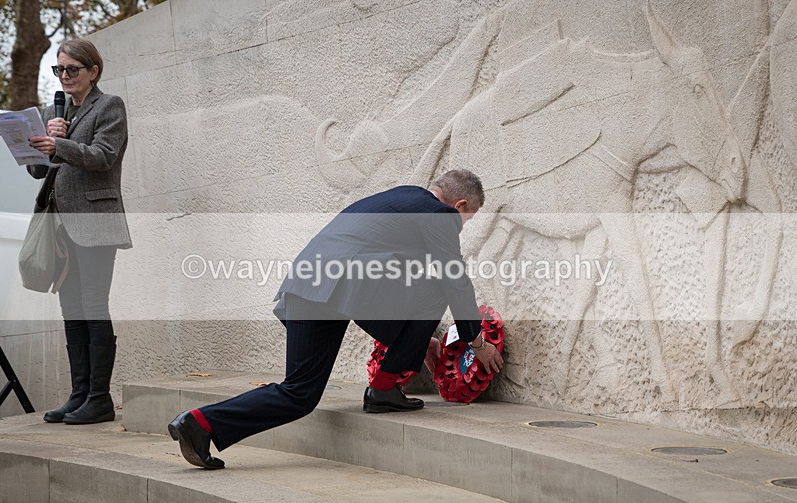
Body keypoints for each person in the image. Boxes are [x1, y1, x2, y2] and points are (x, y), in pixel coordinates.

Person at [168, 169, 503, 469]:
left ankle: (200, 423)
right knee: (441, 284)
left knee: (299, 393)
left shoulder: (398, 198)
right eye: (467, 220)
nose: (460, 226)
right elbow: (453, 280)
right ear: (459, 205)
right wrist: (478, 342)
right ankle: (383, 389)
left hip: (309, 285)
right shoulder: (439, 214)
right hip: (340, 290)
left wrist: (416, 340)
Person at [27, 38, 131, 425]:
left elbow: (104, 157)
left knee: (93, 304)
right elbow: (41, 170)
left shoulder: (109, 106)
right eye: (60, 70)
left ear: (93, 71)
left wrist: (61, 143)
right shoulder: (58, 114)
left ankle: (100, 399)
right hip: (60, 223)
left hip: (95, 221)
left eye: (73, 69)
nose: (65, 76)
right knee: (70, 307)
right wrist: (37, 146)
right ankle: (79, 394)